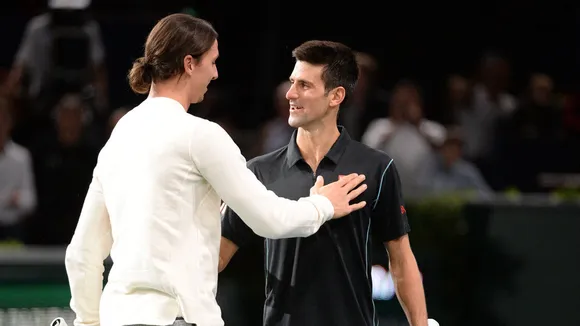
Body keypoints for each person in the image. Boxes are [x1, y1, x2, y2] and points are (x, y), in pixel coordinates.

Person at [64, 15, 368, 326]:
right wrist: (323, 205)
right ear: (189, 63)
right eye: (212, 61)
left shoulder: (120, 135)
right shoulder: (200, 135)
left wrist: (88, 321)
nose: (216, 73)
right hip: (177, 319)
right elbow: (269, 219)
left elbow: (82, 254)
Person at [219, 40, 428, 326]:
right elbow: (215, 258)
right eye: (292, 82)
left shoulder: (377, 168)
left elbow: (401, 260)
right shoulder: (259, 172)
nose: (291, 94)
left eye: (304, 85)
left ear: (336, 96)